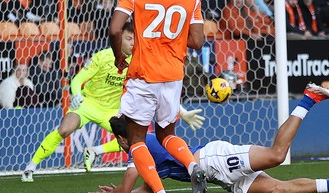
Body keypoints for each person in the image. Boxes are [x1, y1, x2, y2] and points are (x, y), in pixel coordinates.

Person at [88, 83, 329, 193]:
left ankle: (309, 98)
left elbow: (125, 190)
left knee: (276, 154)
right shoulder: (146, 147)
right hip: (219, 176)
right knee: (277, 190)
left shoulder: (141, 146)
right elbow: (149, 187)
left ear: (123, 138)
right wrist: (133, 192)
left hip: (213, 160)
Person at [21, 22, 205, 182]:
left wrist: (182, 112)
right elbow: (78, 79)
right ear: (120, 39)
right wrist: (76, 94)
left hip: (113, 110)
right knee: (64, 129)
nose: (132, 43)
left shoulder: (140, 62)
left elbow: (158, 90)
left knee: (133, 140)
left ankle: (95, 152)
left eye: (134, 39)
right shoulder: (103, 56)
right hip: (88, 104)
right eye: (128, 38)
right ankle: (31, 166)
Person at [109, 0, 207, 193]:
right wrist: (172, 40)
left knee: (136, 139)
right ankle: (193, 166)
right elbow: (198, 41)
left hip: (144, 74)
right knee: (166, 135)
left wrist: (118, 56)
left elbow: (115, 29)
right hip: (173, 77)